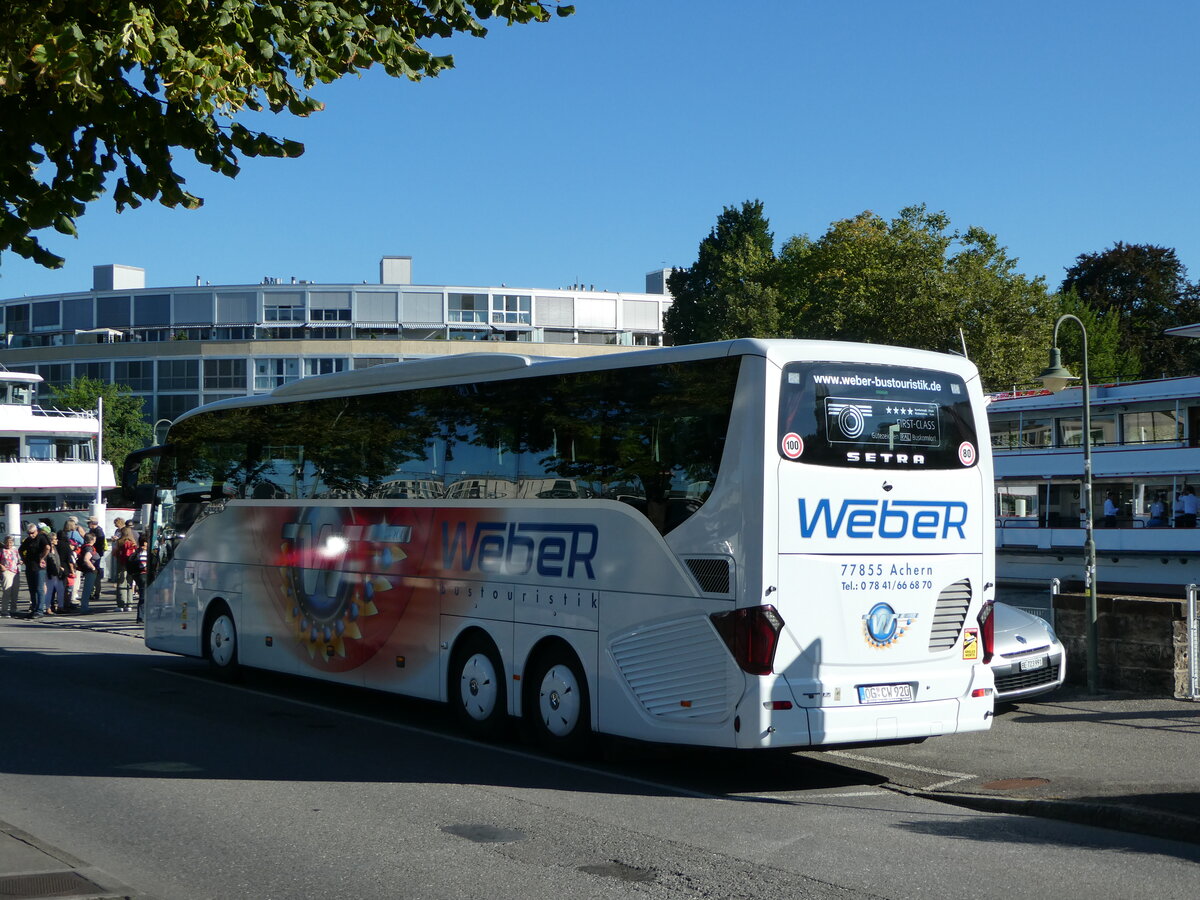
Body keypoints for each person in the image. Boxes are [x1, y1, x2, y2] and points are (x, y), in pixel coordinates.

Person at [18, 522, 51, 618]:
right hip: (30, 566)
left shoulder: (41, 537)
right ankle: (34, 608)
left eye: (32, 533)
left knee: (39, 589)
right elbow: (20, 550)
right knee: (32, 589)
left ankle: (40, 610)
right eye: (29, 533)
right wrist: (24, 559)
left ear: (36, 531)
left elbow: (47, 547)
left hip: (39, 567)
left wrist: (42, 558)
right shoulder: (28, 540)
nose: (31, 535)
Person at [113, 526, 138, 611]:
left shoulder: (120, 542)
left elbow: (114, 553)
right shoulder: (133, 542)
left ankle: (121, 604)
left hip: (121, 564)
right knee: (129, 583)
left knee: (121, 583)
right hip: (131, 564)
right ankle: (129, 604)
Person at [76, 532, 100, 615]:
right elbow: (86, 559)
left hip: (88, 570)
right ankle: (84, 608)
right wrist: (93, 568)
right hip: (90, 571)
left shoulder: (85, 547)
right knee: (87, 589)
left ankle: (85, 607)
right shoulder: (89, 548)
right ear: (93, 539)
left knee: (87, 589)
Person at [86, 515, 106, 604]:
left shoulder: (99, 531)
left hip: (95, 555)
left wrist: (95, 552)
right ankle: (93, 591)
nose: (87, 524)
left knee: (95, 573)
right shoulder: (93, 530)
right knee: (93, 572)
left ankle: (95, 592)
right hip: (94, 554)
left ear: (92, 523)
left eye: (88, 523)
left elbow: (100, 545)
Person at [43, 534, 65, 614]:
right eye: (55, 539)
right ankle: (47, 607)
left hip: (57, 572)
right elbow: (46, 561)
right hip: (50, 572)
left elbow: (57, 560)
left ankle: (60, 606)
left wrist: (60, 567)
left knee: (61, 589)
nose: (57, 540)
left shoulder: (55, 548)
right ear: (51, 540)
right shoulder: (47, 549)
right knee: (49, 590)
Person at [130, 536, 150, 624]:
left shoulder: (137, 551)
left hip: (139, 575)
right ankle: (141, 617)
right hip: (143, 575)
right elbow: (143, 565)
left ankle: (141, 617)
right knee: (144, 596)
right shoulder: (143, 552)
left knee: (143, 596)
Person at [1, 535, 20, 617]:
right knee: (7, 591)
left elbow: (18, 559)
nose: (9, 544)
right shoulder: (2, 550)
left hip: (15, 572)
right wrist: (1, 566)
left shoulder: (15, 550)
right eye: (7, 542)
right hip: (7, 571)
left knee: (15, 591)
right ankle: (4, 610)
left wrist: (20, 562)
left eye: (11, 542)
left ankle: (13, 609)